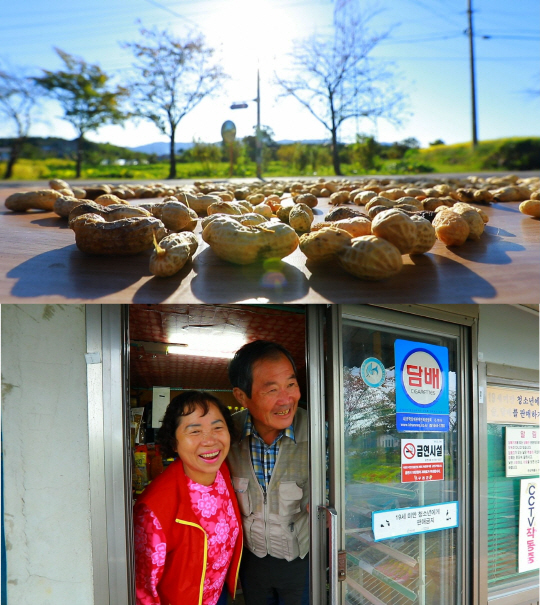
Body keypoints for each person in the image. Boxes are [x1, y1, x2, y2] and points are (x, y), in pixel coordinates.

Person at [133, 391, 243, 605]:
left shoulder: (223, 473)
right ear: (174, 443)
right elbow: (143, 589)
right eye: (195, 431)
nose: (209, 440)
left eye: (217, 428)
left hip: (218, 595)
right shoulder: (153, 509)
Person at [227, 340, 309, 605]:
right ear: (241, 396)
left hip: (301, 561)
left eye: (291, 384)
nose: (286, 399)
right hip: (253, 563)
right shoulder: (226, 435)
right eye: (271, 389)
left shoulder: (319, 431)